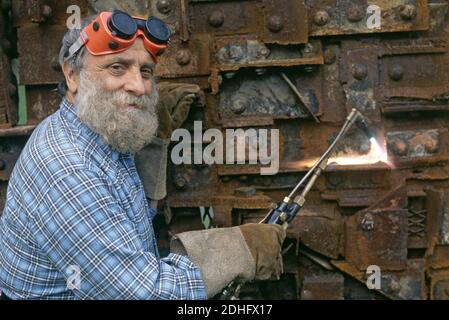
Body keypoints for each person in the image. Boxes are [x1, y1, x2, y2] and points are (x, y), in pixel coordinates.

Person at [0, 10, 284, 300]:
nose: (140, 87)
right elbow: (146, 294)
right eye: (117, 68)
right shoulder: (68, 169)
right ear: (73, 75)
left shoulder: (97, 135)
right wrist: (241, 251)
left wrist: (152, 142)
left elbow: (120, 216)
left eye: (145, 71)